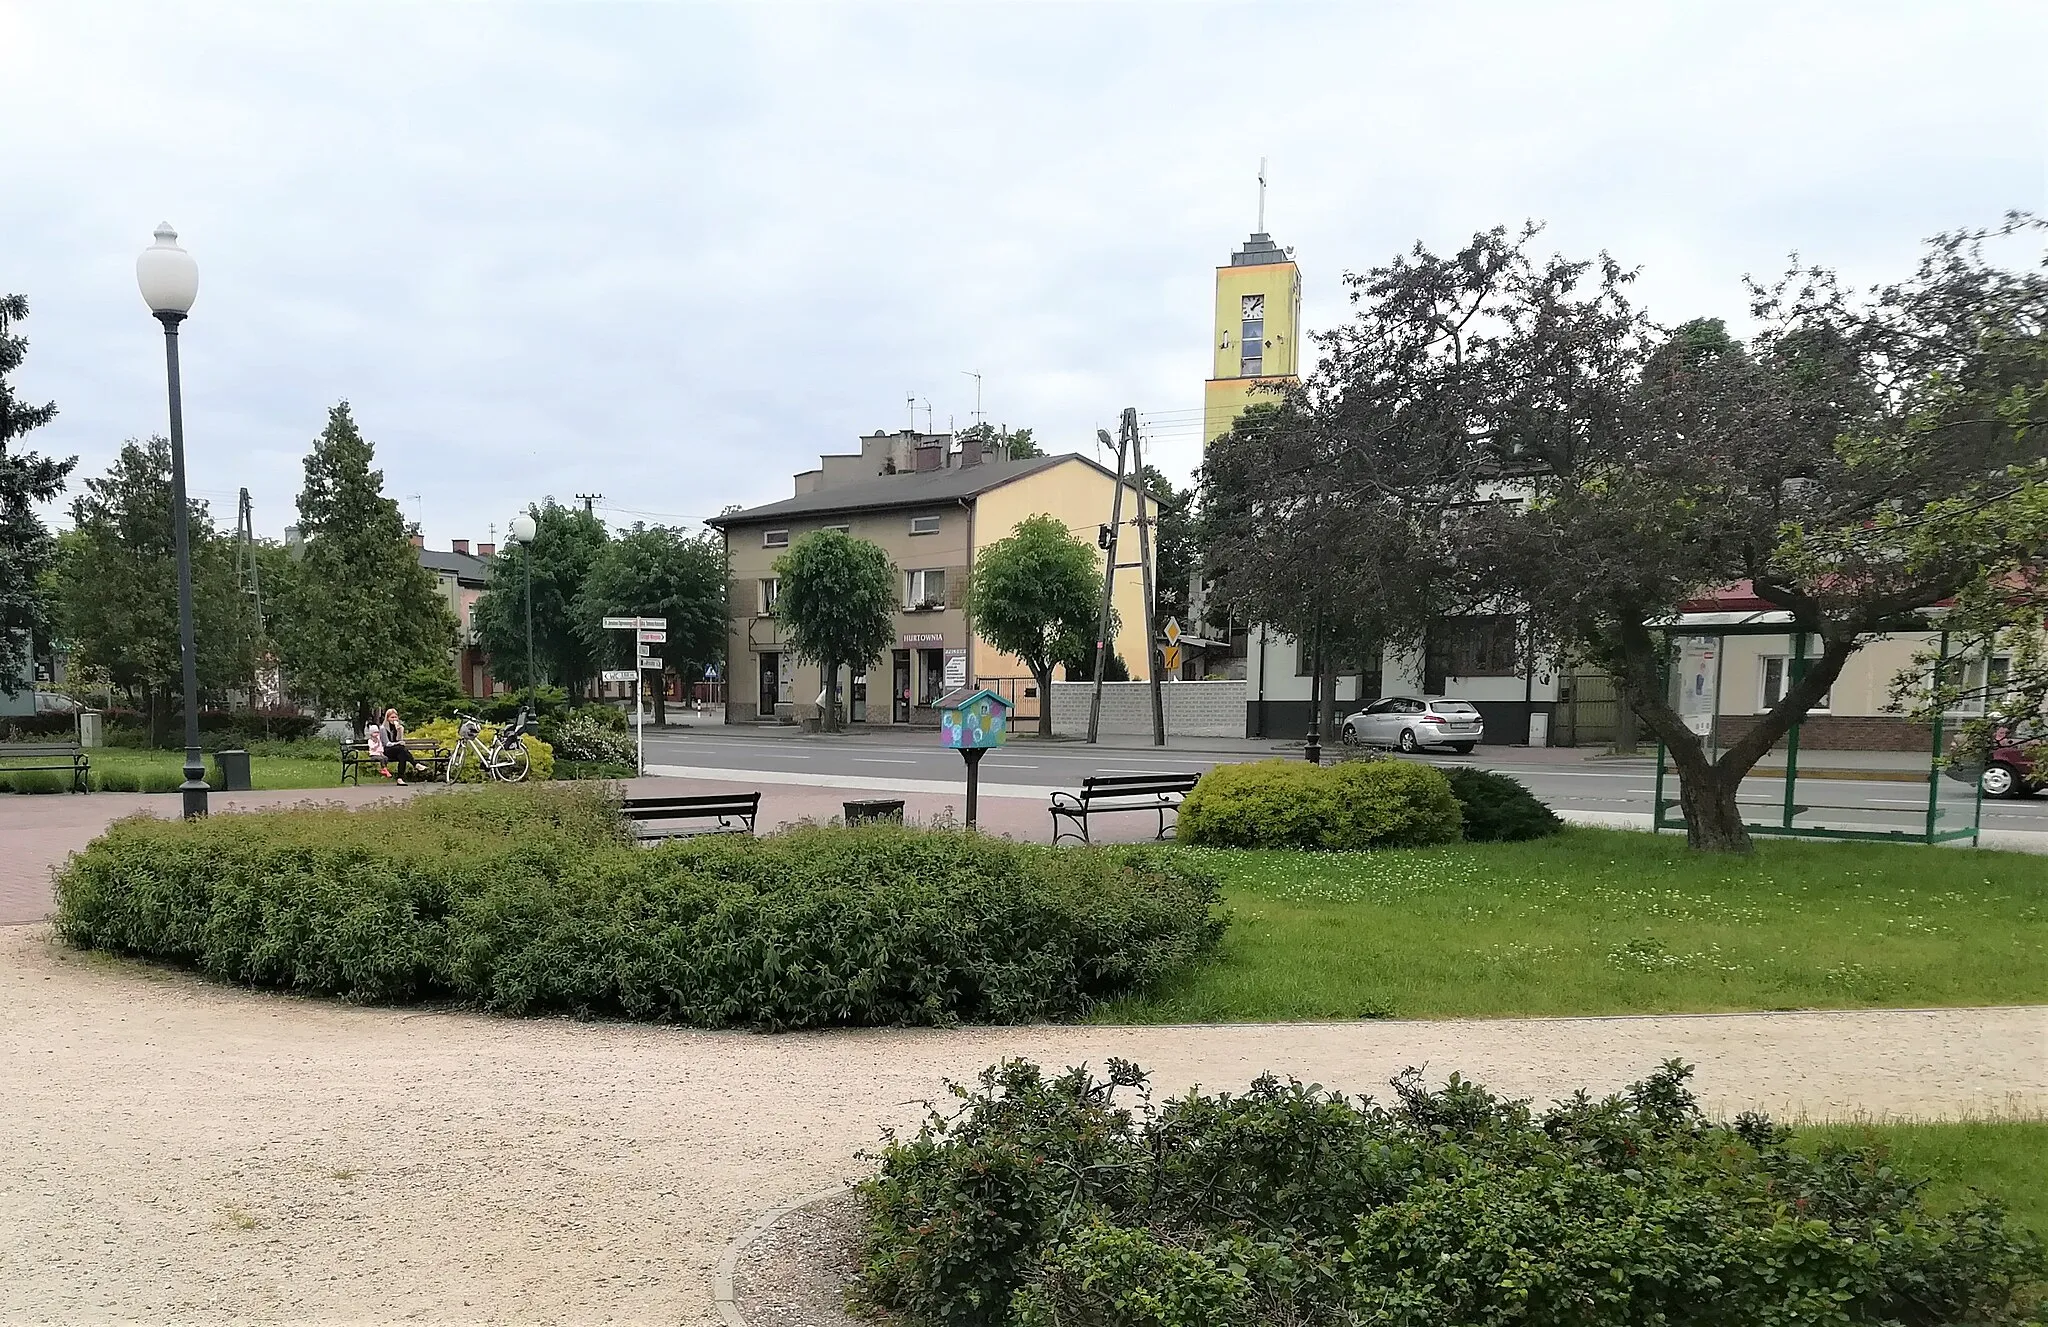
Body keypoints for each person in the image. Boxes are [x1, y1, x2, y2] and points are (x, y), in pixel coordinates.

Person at [379, 707, 418, 785]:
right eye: (392, 717)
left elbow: (399, 740)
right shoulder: (383, 728)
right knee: (401, 749)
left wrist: (400, 731)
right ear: (387, 718)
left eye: (395, 717)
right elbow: (386, 743)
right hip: (387, 750)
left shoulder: (398, 727)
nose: (394, 719)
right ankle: (415, 764)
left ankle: (400, 779)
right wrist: (398, 744)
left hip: (397, 750)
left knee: (402, 754)